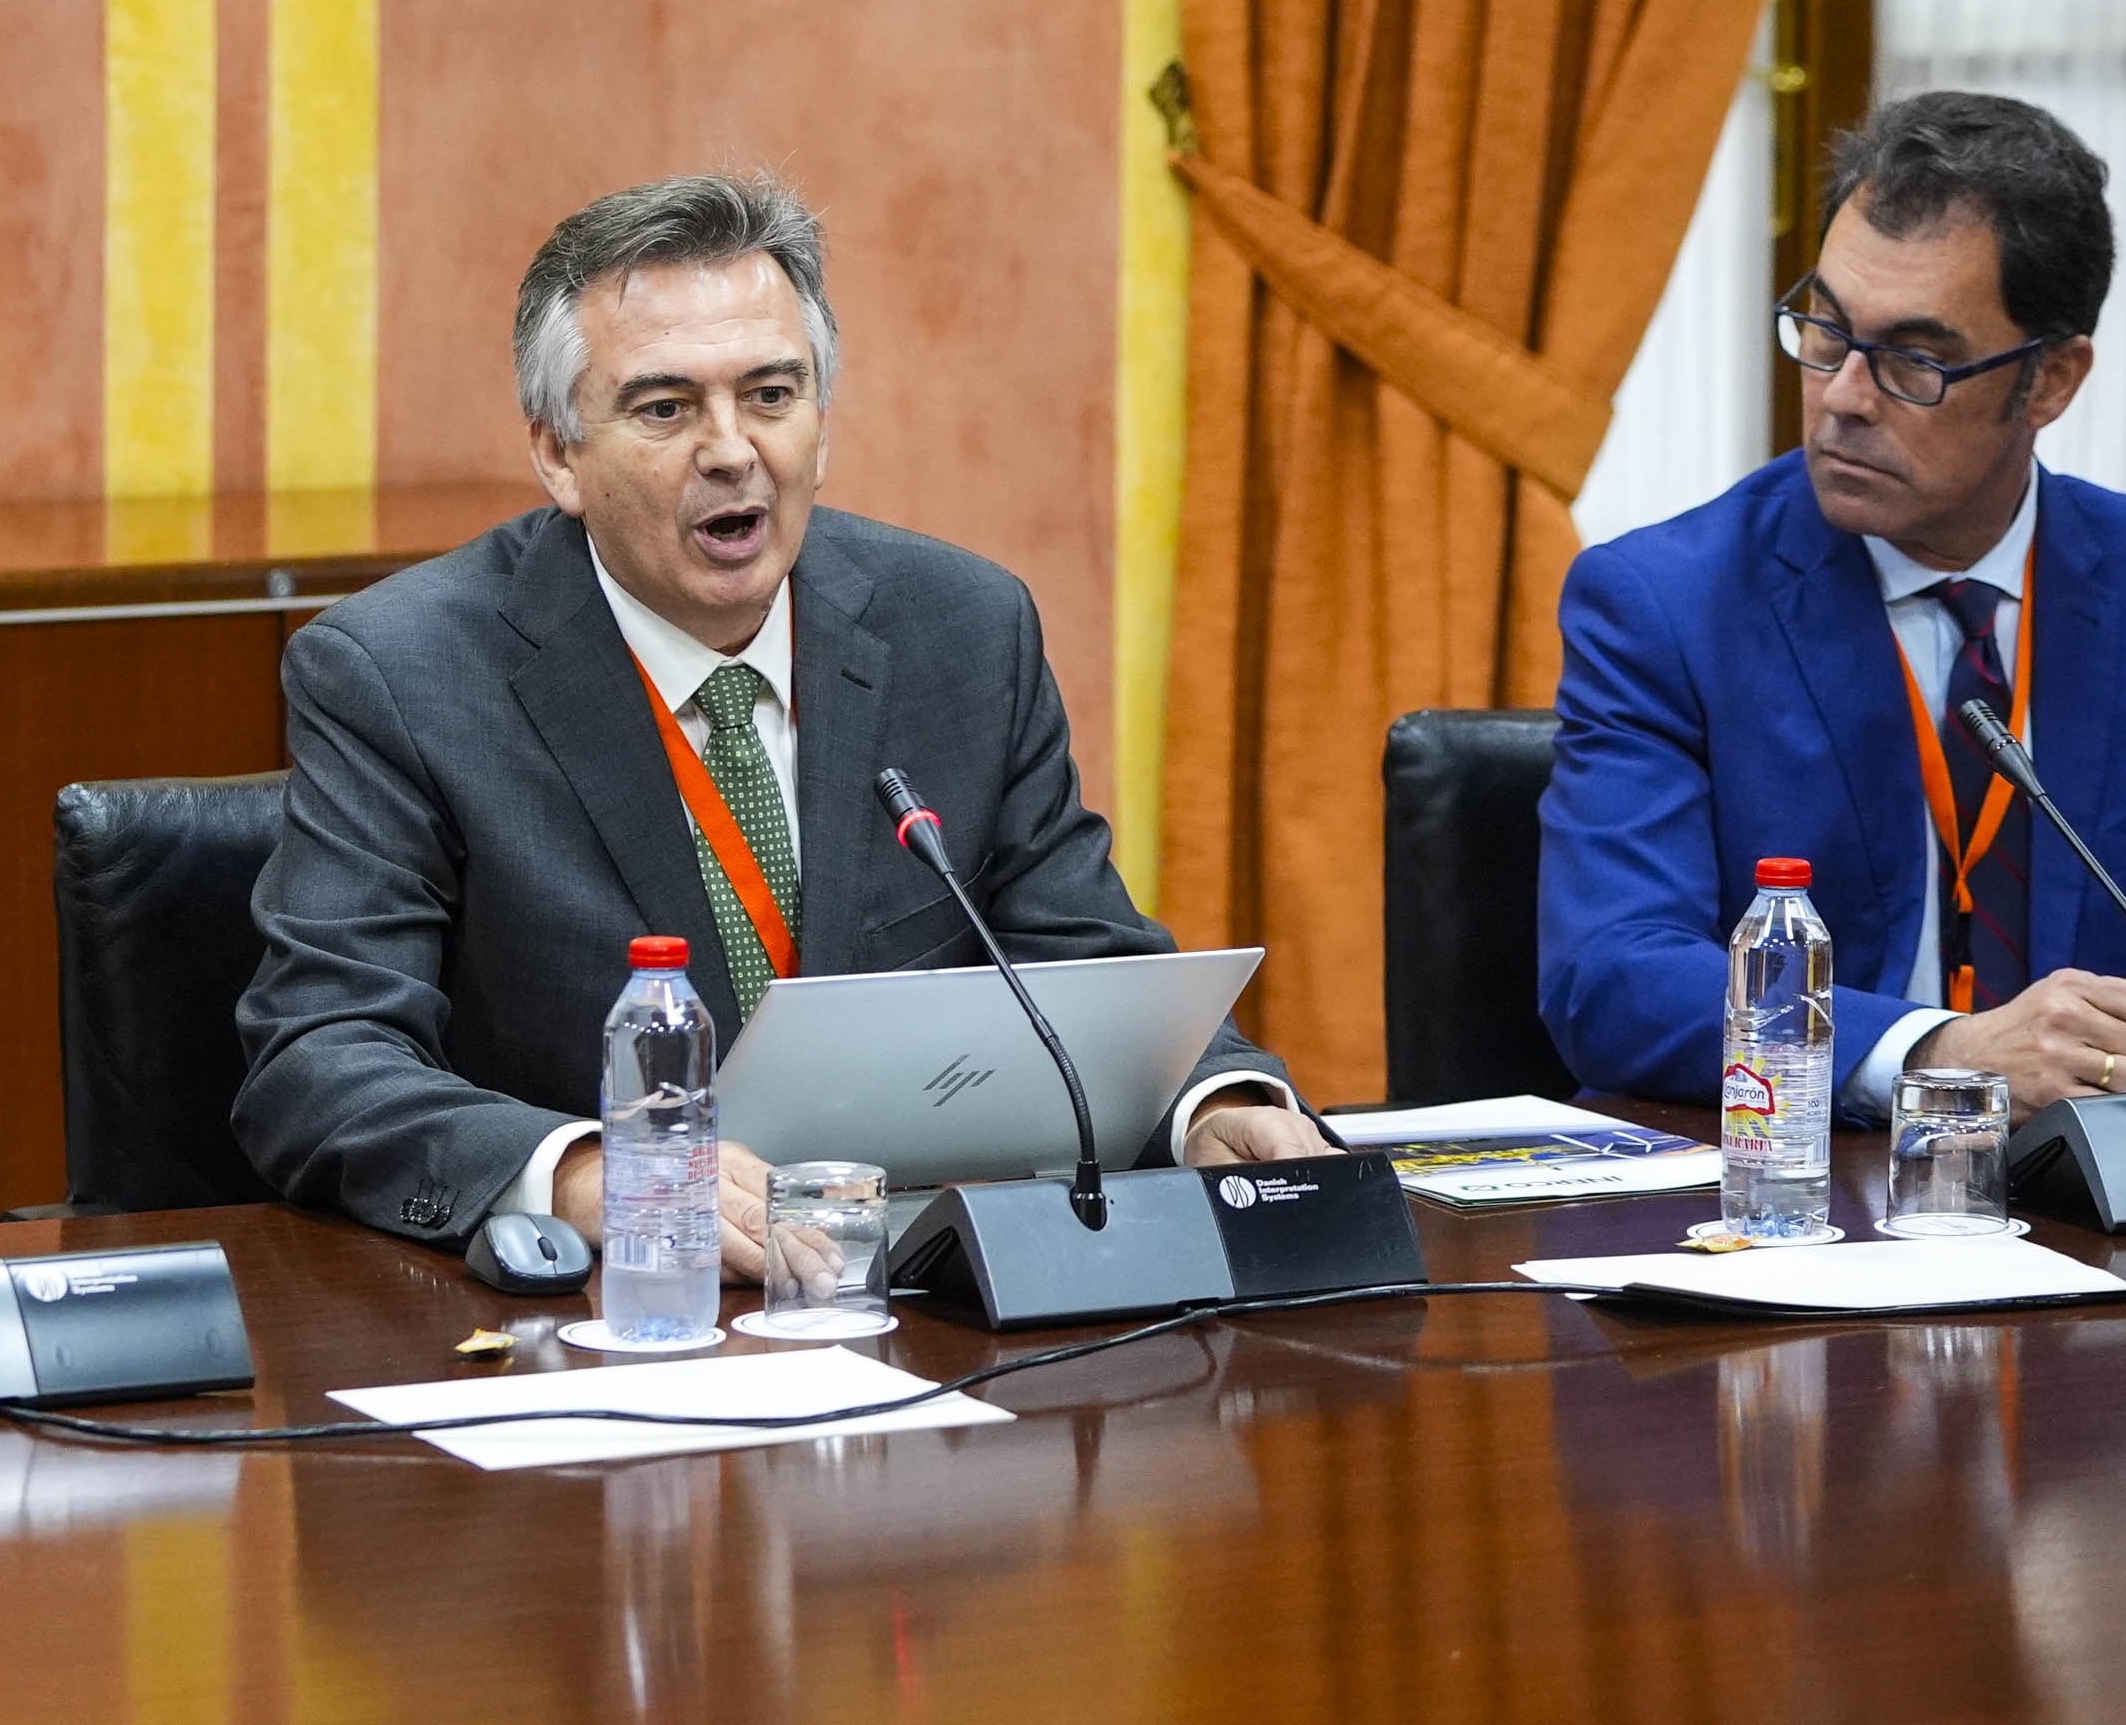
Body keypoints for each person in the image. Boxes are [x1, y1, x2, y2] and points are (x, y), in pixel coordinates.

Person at [235, 172, 1319, 1264]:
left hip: (914, 1282)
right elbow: (320, 1058)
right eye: (665, 408)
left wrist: (1212, 1104)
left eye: (769, 394)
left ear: (820, 422)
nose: (730, 449)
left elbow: (1078, 962)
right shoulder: (401, 673)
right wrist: (586, 1175)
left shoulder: (962, 629)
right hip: (616, 1306)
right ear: (559, 455)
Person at [1541, 93, 2126, 1124]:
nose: (1842, 395)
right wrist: (1939, 1053)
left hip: (2109, 1183)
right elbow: (1613, 974)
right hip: (1803, 1180)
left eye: (1913, 361)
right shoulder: (1666, 605)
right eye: (1826, 331)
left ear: (2050, 380)